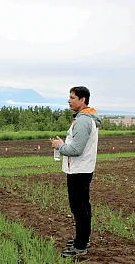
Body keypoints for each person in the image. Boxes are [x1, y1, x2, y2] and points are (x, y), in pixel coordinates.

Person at [50, 86, 100, 258]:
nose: (69, 100)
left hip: (79, 171)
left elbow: (76, 150)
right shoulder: (83, 119)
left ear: (83, 100)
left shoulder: (84, 121)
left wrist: (60, 146)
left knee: (79, 208)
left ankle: (80, 246)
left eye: (72, 97)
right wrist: (64, 143)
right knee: (82, 207)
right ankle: (82, 239)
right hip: (81, 169)